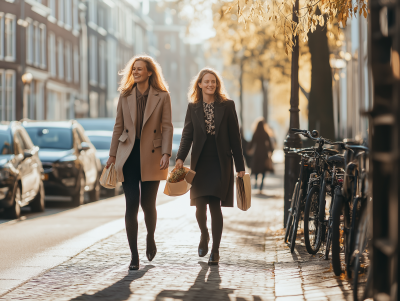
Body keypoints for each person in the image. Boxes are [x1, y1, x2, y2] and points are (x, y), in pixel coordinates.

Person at [106, 55, 173, 270]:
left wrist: (166, 153)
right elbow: (118, 126)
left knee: (148, 205)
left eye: (140, 69)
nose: (135, 72)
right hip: (128, 155)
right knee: (131, 204)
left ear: (150, 72)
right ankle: (133, 256)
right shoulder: (125, 95)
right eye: (133, 69)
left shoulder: (162, 96)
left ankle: (150, 237)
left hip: (153, 155)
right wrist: (113, 155)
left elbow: (167, 127)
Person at [175, 68, 245, 265]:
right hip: (200, 162)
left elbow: (235, 138)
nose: (210, 85)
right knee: (199, 206)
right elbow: (187, 135)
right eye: (206, 81)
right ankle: (204, 234)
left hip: (220, 161)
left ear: (217, 84)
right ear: (199, 84)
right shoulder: (193, 107)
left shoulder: (227, 106)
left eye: (213, 81)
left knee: (215, 205)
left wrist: (240, 166)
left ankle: (215, 251)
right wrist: (180, 158)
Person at [247, 118, 274, 194]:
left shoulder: (255, 133)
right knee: (263, 170)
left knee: (256, 169)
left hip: (257, 153)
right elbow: (269, 144)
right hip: (264, 153)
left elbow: (252, 143)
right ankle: (261, 185)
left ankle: (255, 182)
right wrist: (271, 151)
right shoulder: (265, 133)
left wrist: (248, 149)